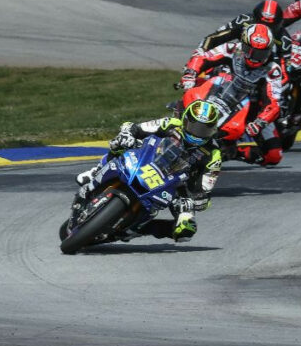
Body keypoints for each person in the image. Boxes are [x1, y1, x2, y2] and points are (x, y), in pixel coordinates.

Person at [73, 100, 223, 242]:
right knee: (121, 143)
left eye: (204, 130)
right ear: (185, 120)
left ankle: (138, 229)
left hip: (176, 185)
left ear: (213, 130)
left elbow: (205, 187)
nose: (198, 134)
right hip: (147, 160)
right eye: (195, 127)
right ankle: (97, 171)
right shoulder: (170, 124)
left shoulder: (213, 154)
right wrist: (128, 134)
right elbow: (135, 127)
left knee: (186, 231)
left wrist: (198, 199)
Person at [184, 24, 289, 166]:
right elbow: (203, 58)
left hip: (249, 109)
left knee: (274, 155)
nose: (254, 58)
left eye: (259, 54)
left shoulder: (272, 70)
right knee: (192, 90)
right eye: (250, 51)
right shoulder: (232, 49)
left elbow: (273, 104)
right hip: (219, 92)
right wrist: (190, 74)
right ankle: (176, 121)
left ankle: (232, 151)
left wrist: (259, 122)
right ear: (243, 45)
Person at [180, 0, 291, 90]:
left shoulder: (284, 41)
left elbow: (285, 71)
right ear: (254, 19)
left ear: (279, 24)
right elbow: (214, 38)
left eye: (270, 26)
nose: (263, 30)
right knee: (201, 76)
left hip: (262, 75)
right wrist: (197, 57)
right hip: (237, 60)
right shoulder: (244, 21)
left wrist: (274, 85)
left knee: (283, 95)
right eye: (261, 24)